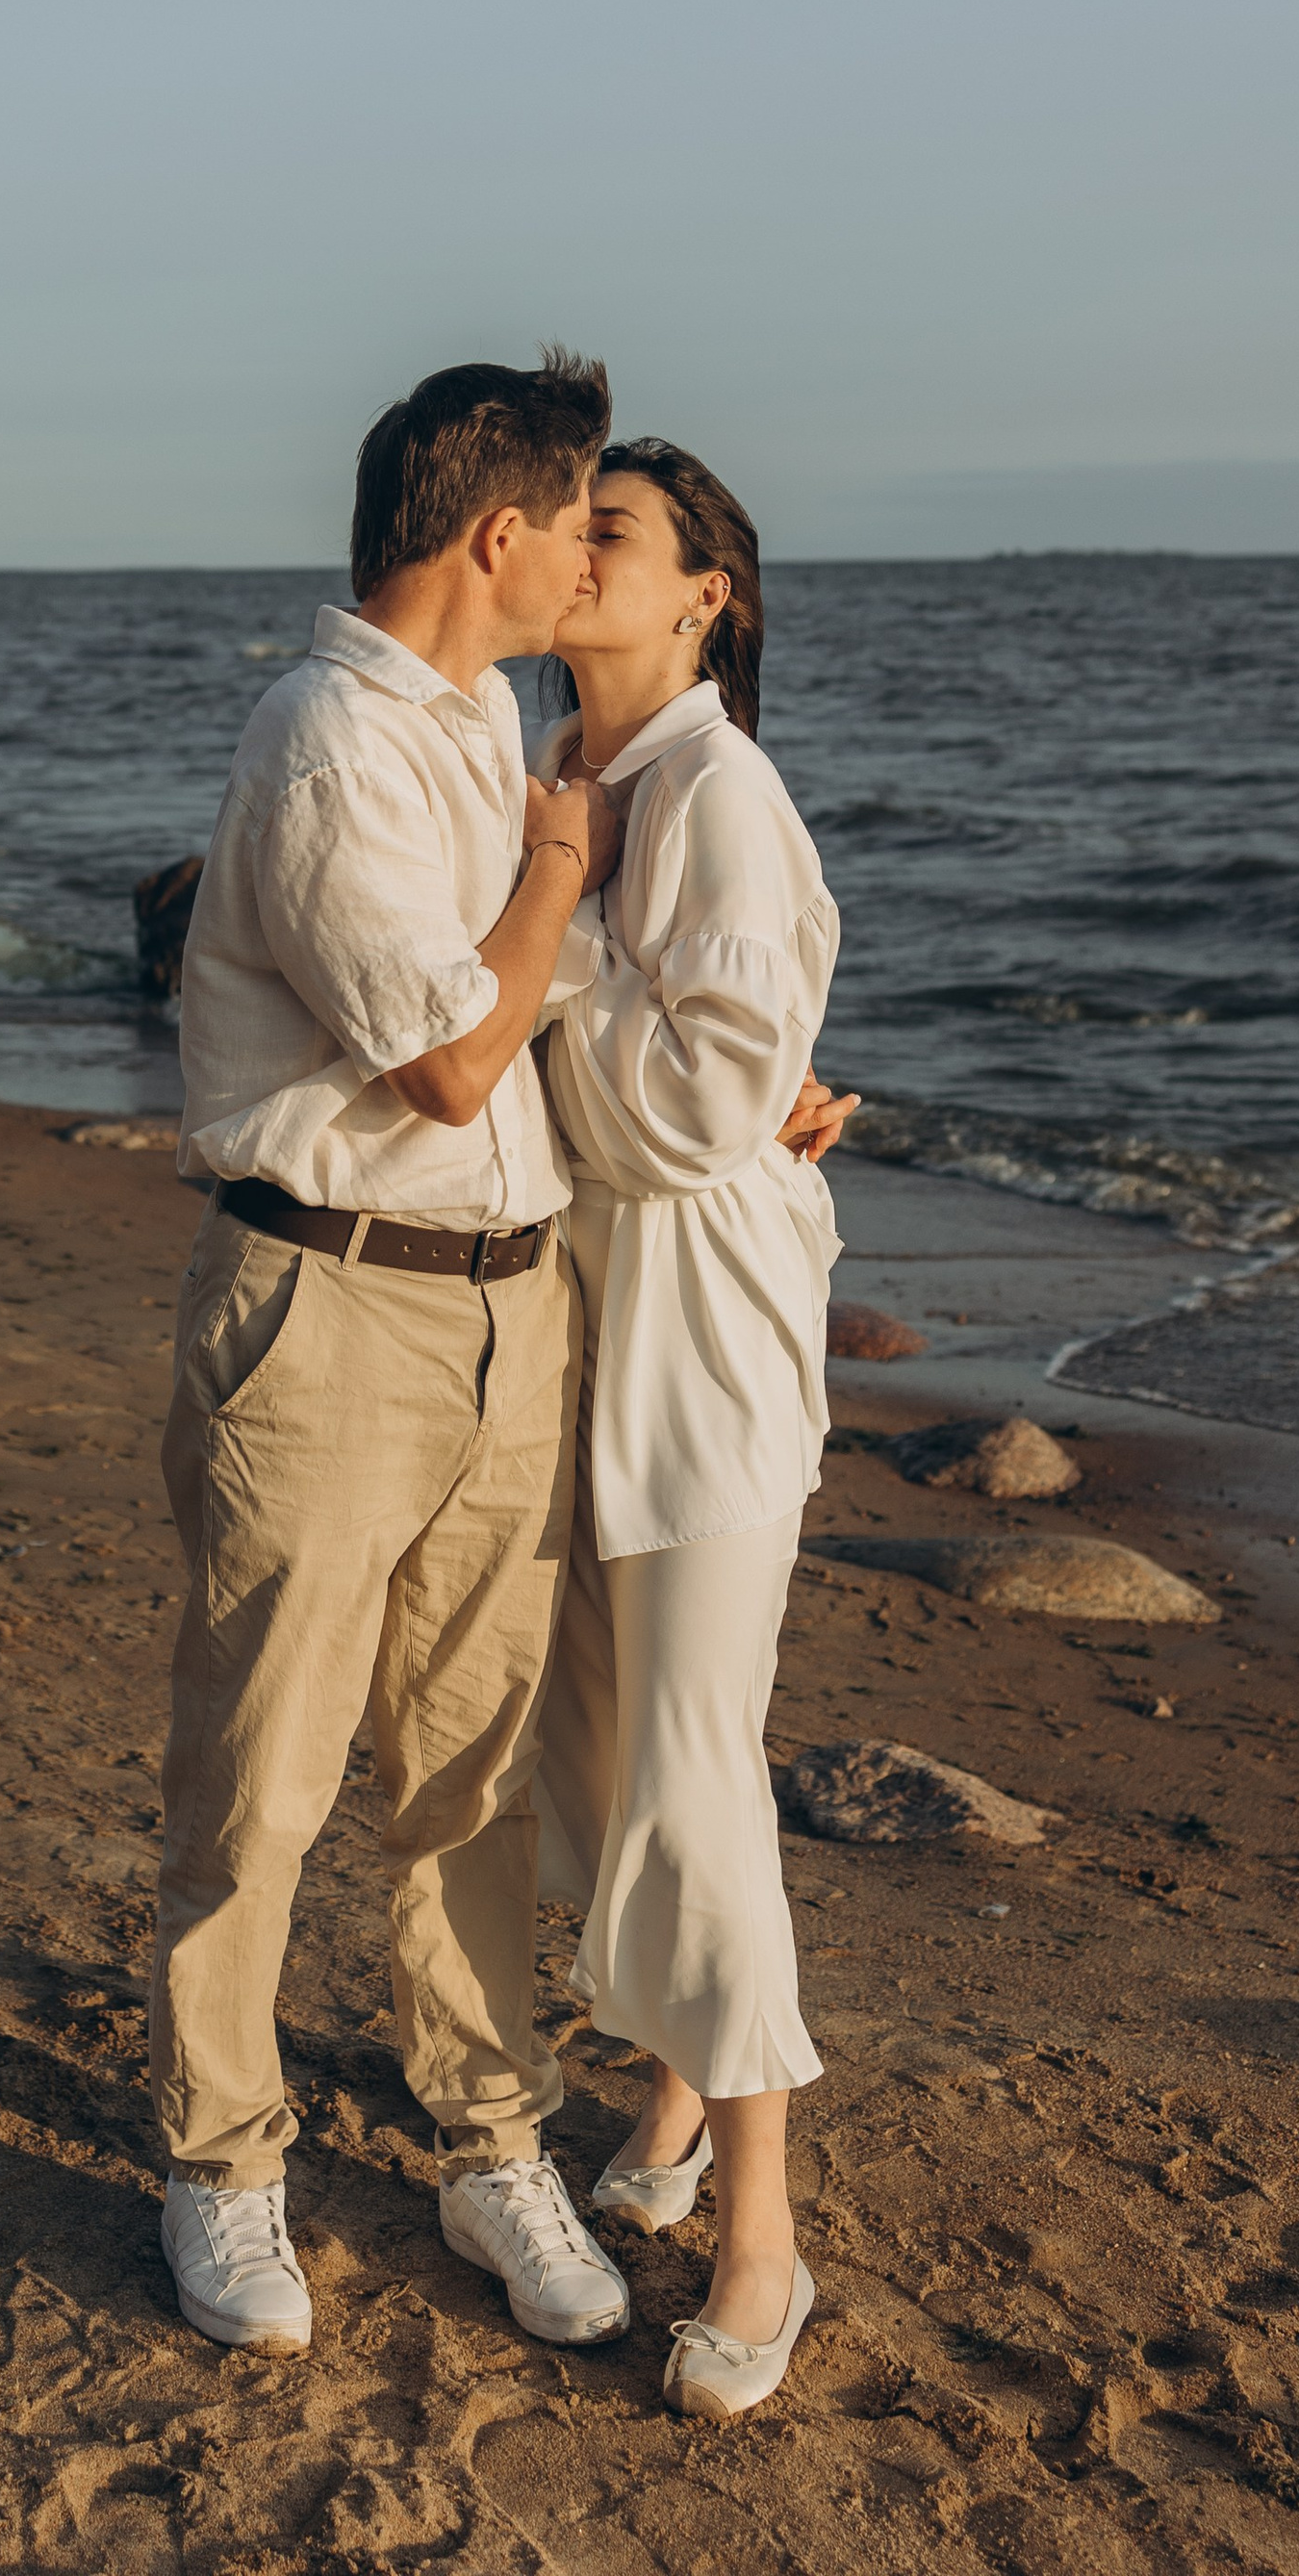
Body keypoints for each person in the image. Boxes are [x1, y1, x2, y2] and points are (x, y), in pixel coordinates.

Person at [152, 351, 641, 2359]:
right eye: (581, 520)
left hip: (502, 1303)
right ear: (494, 530)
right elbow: (444, 1057)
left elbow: (546, 1015)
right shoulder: (322, 741)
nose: (590, 560)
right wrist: (550, 880)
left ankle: (478, 2137)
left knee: (468, 1764)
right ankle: (219, 2163)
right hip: (327, 1300)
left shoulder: (484, 714)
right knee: (261, 1774)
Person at [531, 437, 854, 2423]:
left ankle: (762, 2232)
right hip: (576, 1308)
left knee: (684, 1770)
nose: (574, 551)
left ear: (700, 594)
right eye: (565, 520)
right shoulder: (564, 773)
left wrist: (545, 960)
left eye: (615, 534)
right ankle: (659, 2104)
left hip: (702, 1326)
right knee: (602, 1744)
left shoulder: (720, 794)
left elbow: (699, 1098)